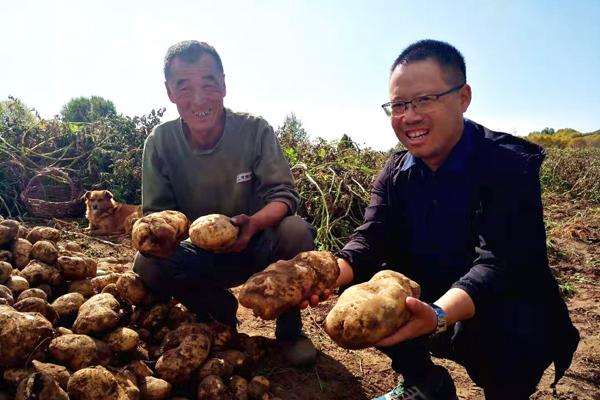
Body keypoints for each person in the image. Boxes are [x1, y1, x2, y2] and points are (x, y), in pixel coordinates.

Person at [306, 40, 579, 399]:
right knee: (357, 285)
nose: (410, 116)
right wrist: (321, 275)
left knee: (514, 324)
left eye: (424, 100)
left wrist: (436, 315)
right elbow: (371, 237)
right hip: (433, 296)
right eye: (399, 104)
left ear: (463, 98)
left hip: (500, 306)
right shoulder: (395, 171)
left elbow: (500, 264)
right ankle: (422, 382)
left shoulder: (508, 163)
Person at [133, 40, 317, 366]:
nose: (199, 98)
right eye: (184, 87)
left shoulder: (254, 130)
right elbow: (156, 217)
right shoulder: (160, 142)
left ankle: (290, 331)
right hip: (195, 257)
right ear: (170, 93)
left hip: (254, 248)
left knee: (296, 231)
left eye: (209, 83)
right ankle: (216, 309)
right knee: (146, 262)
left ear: (224, 84)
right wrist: (160, 239)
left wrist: (255, 223)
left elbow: (284, 195)